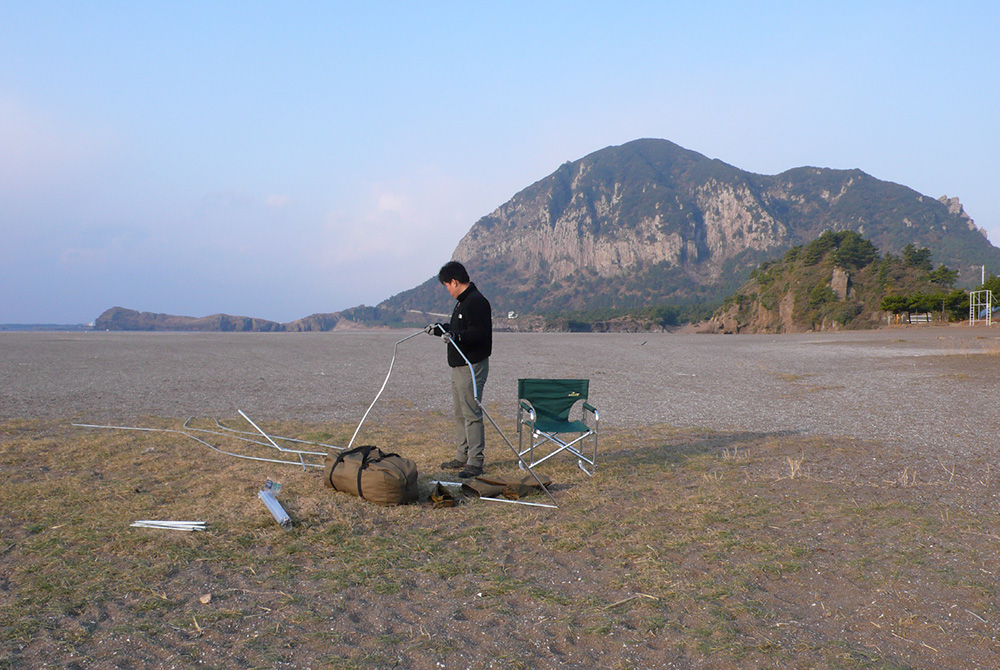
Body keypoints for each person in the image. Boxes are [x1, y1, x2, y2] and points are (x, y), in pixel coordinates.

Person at [427, 261, 492, 478]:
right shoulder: (462, 303)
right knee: (460, 414)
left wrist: (456, 336)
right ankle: (462, 455)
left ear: (454, 282)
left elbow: (478, 333)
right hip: (458, 367)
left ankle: (475, 461)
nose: (447, 290)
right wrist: (440, 330)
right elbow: (458, 330)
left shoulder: (476, 302)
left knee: (471, 414)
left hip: (471, 366)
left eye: (447, 285)